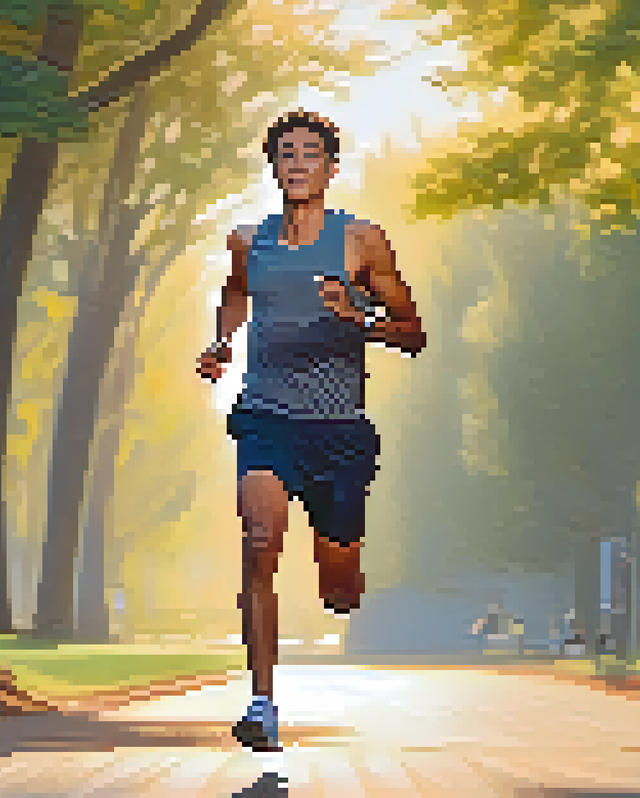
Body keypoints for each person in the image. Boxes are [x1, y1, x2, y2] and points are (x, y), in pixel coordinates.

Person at [196, 109, 426, 752]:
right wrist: (220, 343)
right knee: (260, 538)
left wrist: (359, 318)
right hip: (267, 417)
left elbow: (413, 333)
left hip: (338, 429)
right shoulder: (250, 241)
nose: (298, 164)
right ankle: (262, 703)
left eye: (310, 154)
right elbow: (236, 294)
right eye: (286, 154)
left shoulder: (362, 242)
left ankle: (343, 566)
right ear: (273, 166)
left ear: (330, 167)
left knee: (340, 585)